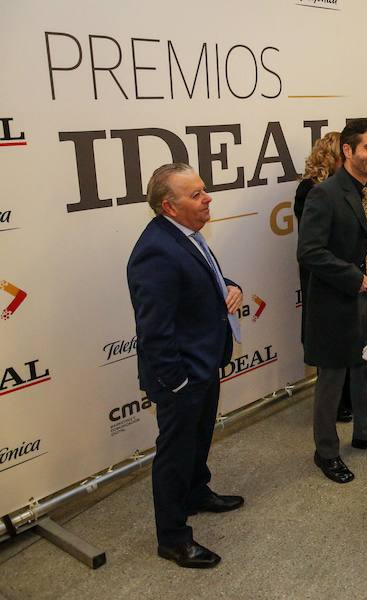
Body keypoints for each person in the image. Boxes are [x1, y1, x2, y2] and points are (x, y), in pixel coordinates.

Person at [126, 163, 245, 569]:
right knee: (174, 454)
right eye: (195, 195)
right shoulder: (156, 250)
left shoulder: (185, 236)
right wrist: (176, 383)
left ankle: (197, 492)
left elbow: (205, 278)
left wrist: (231, 286)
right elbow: (154, 330)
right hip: (181, 376)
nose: (207, 197)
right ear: (169, 207)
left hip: (204, 363)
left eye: (204, 190)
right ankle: (173, 538)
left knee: (197, 440)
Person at [298, 119, 367, 484]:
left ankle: (364, 434)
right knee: (332, 380)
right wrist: (356, 277)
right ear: (347, 151)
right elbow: (310, 251)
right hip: (337, 301)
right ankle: (326, 452)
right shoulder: (325, 193)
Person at [294, 132, 353, 424]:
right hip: (323, 272)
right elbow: (313, 244)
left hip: (345, 271)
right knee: (328, 337)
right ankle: (335, 403)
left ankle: (347, 398)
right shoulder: (311, 190)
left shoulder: (352, 188)